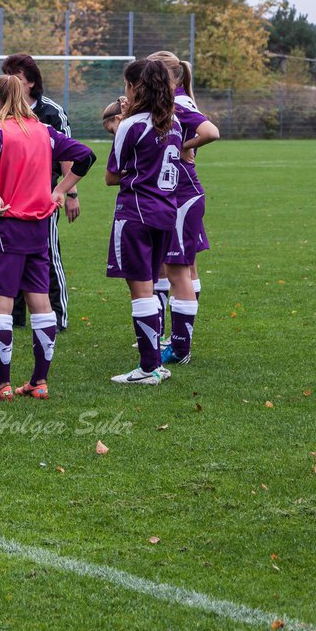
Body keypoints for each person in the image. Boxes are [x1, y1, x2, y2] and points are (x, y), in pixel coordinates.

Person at [0, 76, 95, 401]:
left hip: (5, 227)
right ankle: (39, 381)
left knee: (0, 303)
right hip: (39, 227)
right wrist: (60, 190)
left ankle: (2, 385)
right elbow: (86, 156)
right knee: (40, 303)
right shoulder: (44, 131)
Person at [105, 58, 187, 386]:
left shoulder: (131, 125)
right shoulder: (176, 124)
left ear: (134, 87)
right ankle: (155, 362)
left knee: (140, 290)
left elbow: (112, 176)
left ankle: (149, 368)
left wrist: (118, 128)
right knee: (151, 287)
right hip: (166, 213)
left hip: (136, 214)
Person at [148, 51, 220, 366]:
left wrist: (181, 147)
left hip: (182, 194)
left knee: (177, 269)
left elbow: (211, 132)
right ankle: (178, 338)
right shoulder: (177, 101)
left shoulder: (177, 103)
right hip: (185, 192)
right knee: (184, 268)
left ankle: (179, 348)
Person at [0, 54, 78, 331]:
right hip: (11, 198)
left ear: (31, 82)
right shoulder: (3, 113)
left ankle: (57, 316)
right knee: (12, 254)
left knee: (48, 251)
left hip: (44, 197)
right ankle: (16, 316)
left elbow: (71, 153)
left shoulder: (51, 113)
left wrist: (70, 193)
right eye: (9, 79)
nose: (13, 84)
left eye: (18, 79)